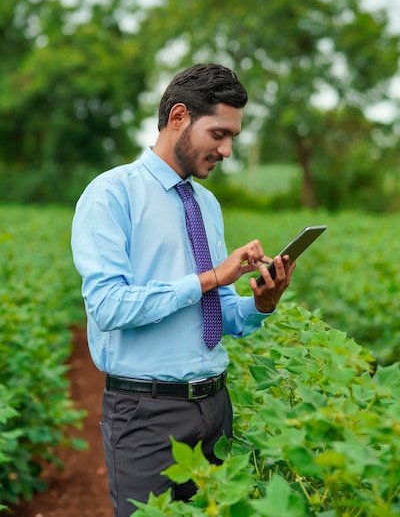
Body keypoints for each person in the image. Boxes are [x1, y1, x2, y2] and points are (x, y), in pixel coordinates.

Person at [71, 63, 295, 517]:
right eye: (219, 134)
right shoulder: (112, 194)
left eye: (232, 137)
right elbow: (108, 306)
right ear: (178, 118)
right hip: (146, 414)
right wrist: (212, 277)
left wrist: (261, 302)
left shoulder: (205, 203)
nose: (227, 149)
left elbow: (216, 315)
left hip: (216, 406)